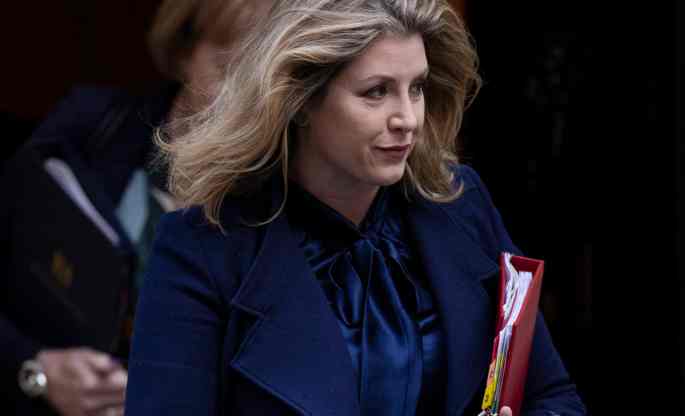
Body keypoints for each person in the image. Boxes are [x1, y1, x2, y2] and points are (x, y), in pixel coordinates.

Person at [126, 0, 587, 415]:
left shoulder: (460, 204)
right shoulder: (201, 247)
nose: (407, 118)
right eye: (376, 92)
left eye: (417, 88)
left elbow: (553, 396)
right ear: (300, 101)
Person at [0, 1, 274, 415]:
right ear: (184, 51)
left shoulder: (286, 201)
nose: (247, 103)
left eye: (270, 83)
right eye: (230, 70)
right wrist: (36, 368)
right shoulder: (93, 128)